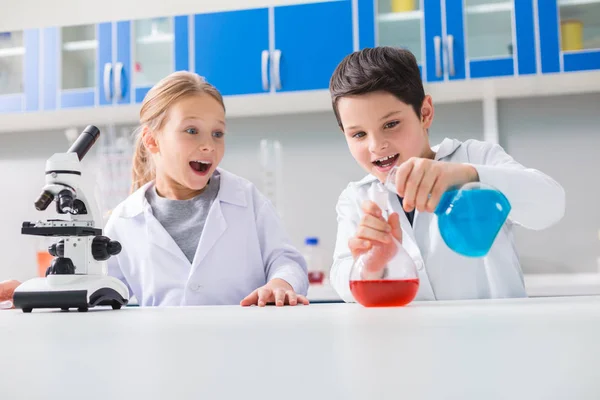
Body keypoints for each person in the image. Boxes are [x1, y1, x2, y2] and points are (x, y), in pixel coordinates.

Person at [0, 71, 309, 308]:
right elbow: (99, 290)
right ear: (152, 141)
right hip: (162, 360)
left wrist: (281, 283)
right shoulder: (124, 219)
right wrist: (33, 291)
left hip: (245, 350)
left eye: (218, 133)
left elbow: (286, 260)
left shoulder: (246, 199)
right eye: (191, 130)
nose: (208, 145)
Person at [329, 47, 565, 302]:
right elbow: (342, 279)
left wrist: (468, 176)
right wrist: (371, 264)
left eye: (391, 124)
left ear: (425, 113)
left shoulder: (475, 158)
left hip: (494, 336)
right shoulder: (357, 198)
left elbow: (551, 204)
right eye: (358, 134)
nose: (376, 145)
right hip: (411, 339)